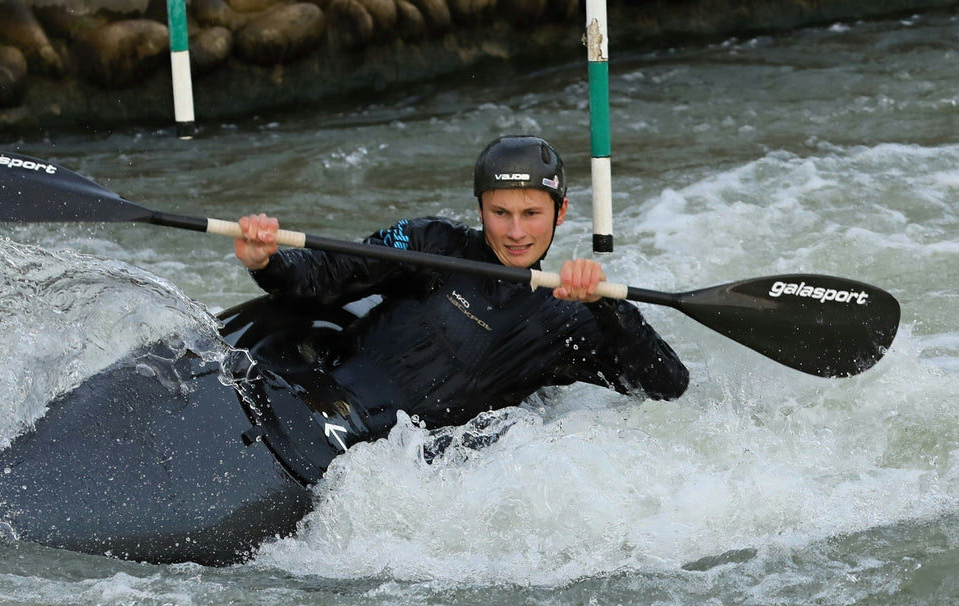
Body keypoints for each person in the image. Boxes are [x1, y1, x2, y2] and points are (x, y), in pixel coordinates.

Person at [233, 135, 688, 437]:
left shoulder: (568, 316)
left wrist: (607, 306)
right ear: (480, 209)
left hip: (403, 460)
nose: (516, 232)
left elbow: (667, 386)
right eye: (500, 213)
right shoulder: (429, 243)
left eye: (531, 214)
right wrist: (269, 261)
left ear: (561, 212)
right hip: (321, 392)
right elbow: (327, 275)